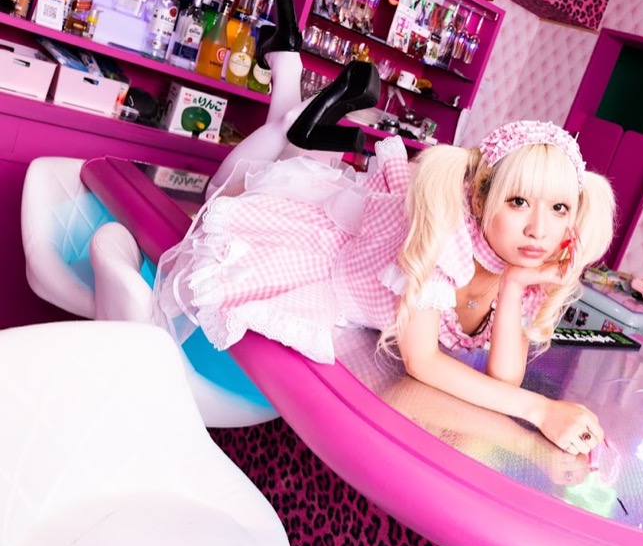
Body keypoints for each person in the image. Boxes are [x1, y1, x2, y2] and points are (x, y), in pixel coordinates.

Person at [156, 118, 617, 455]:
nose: (539, 229)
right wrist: (541, 411)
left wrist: (513, 285)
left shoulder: (522, 262)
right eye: (518, 202)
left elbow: (504, 380)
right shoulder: (446, 236)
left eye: (559, 209)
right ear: (480, 198)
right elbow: (422, 362)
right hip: (326, 266)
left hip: (374, 321)